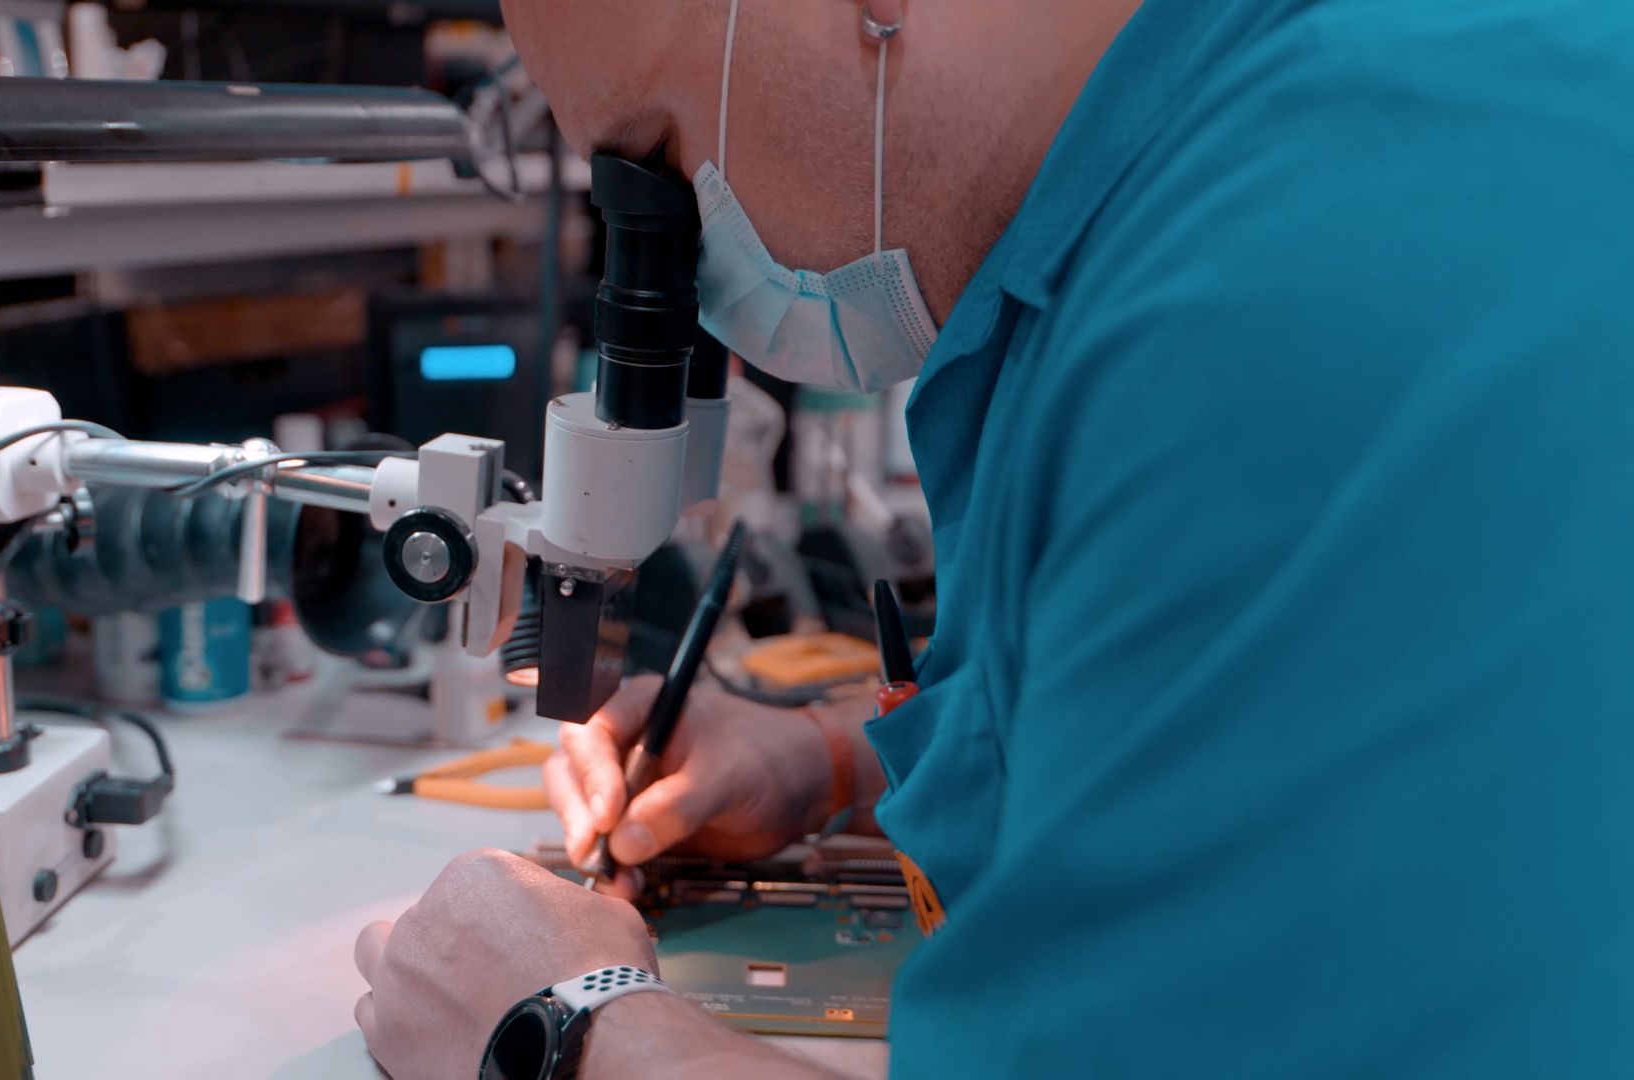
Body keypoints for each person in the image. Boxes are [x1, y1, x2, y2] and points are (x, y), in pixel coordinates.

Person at [354, 0, 1634, 1075]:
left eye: (660, 162)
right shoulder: (1168, 199)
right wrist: (832, 755)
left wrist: (565, 1030)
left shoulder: (1309, 255)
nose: (689, 271)